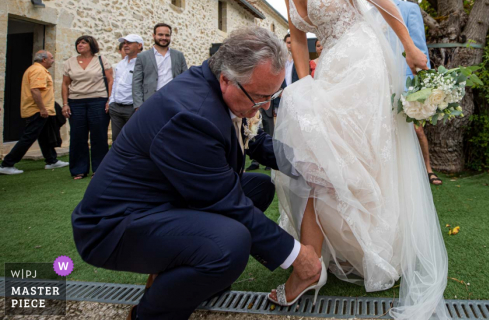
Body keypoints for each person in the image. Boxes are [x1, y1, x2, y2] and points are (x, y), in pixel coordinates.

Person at [268, 0, 448, 319]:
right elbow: (298, 39)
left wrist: (408, 44)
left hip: (363, 61)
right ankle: (324, 255)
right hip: (328, 68)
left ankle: (317, 262)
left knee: (338, 158)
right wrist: (304, 82)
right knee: (319, 160)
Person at [72, 27, 321, 320]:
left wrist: (304, 165)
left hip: (165, 199)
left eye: (271, 96)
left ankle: (197, 279)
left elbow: (250, 141)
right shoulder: (192, 115)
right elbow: (227, 203)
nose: (265, 107)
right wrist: (297, 256)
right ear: (227, 79)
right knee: (230, 243)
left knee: (258, 187)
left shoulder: (217, 85)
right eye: (259, 97)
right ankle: (149, 314)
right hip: (114, 225)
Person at [362, 0, 440, 186]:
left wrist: (419, 87)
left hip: (404, 84)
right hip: (377, 86)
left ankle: (425, 170)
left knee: (414, 130)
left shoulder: (408, 8)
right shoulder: (365, 16)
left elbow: (419, 49)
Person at [0, 51, 68, 175]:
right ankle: (7, 164)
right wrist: (42, 108)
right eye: (51, 58)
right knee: (29, 137)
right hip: (38, 110)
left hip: (41, 110)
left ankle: (51, 160)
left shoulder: (35, 69)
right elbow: (35, 90)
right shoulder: (39, 71)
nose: (53, 60)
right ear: (44, 60)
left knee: (44, 136)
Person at [62, 36, 113, 180]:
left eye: (84, 42)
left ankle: (100, 169)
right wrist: (65, 103)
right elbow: (65, 84)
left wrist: (110, 100)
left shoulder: (102, 60)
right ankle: (79, 170)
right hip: (76, 102)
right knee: (77, 136)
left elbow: (110, 80)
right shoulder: (69, 62)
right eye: (78, 42)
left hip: (98, 101)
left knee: (99, 136)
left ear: (91, 45)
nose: (80, 44)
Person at [132, 23, 188, 110]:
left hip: (174, 99)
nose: (164, 38)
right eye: (160, 35)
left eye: (167, 35)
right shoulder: (142, 56)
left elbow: (185, 79)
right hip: (150, 100)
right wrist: (138, 105)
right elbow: (137, 82)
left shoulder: (179, 55)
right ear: (154, 36)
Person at [109, 34, 143, 143]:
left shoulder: (143, 63)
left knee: (133, 140)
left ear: (139, 46)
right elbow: (115, 83)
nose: (125, 45)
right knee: (117, 139)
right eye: (124, 43)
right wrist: (111, 101)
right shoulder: (120, 64)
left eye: (129, 43)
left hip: (132, 108)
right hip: (116, 107)